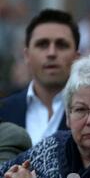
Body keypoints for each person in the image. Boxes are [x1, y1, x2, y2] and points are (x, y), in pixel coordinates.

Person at [0, 9, 80, 145]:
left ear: (77, 57)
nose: (51, 53)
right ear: (26, 55)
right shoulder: (3, 111)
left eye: (61, 45)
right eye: (42, 44)